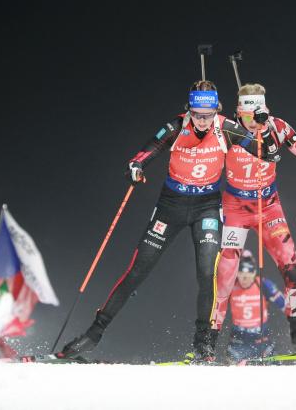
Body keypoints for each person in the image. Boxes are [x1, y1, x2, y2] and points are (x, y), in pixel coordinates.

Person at [61, 80, 280, 362]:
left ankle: (204, 346)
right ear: (188, 109)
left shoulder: (226, 127)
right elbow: (148, 150)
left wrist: (264, 126)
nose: (202, 121)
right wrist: (136, 166)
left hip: (206, 207)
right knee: (137, 270)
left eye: (208, 115)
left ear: (217, 111)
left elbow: (271, 154)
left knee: (207, 273)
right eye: (197, 115)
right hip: (171, 206)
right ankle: (93, 335)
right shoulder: (177, 126)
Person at [211, 83, 296, 353]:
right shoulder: (228, 129)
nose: (255, 124)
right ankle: (211, 337)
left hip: (268, 206)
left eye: (259, 116)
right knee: (227, 271)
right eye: (249, 118)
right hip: (236, 207)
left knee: (289, 260)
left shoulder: (275, 127)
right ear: (239, 114)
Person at [224, 250, 286, 364]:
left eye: (248, 276)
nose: (244, 280)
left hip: (262, 341)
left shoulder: (262, 284)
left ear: (254, 273)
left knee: (275, 367)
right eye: (241, 276)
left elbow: (284, 305)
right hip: (238, 342)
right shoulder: (231, 286)